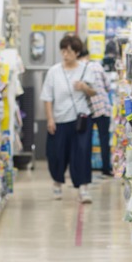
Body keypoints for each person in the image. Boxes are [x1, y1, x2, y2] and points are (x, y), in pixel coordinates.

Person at [41, 35, 97, 203]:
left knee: (82, 153)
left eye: (69, 51)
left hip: (81, 120)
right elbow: (47, 97)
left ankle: (84, 188)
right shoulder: (54, 71)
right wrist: (50, 119)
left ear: (77, 52)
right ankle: (57, 183)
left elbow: (94, 92)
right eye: (63, 51)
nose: (65, 54)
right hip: (59, 119)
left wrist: (84, 87)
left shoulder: (86, 69)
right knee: (57, 154)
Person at [79, 48, 113, 178]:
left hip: (88, 109)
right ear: (88, 55)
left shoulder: (79, 69)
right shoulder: (97, 66)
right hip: (103, 106)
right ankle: (106, 169)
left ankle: (85, 168)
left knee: (85, 140)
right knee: (104, 139)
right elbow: (108, 86)